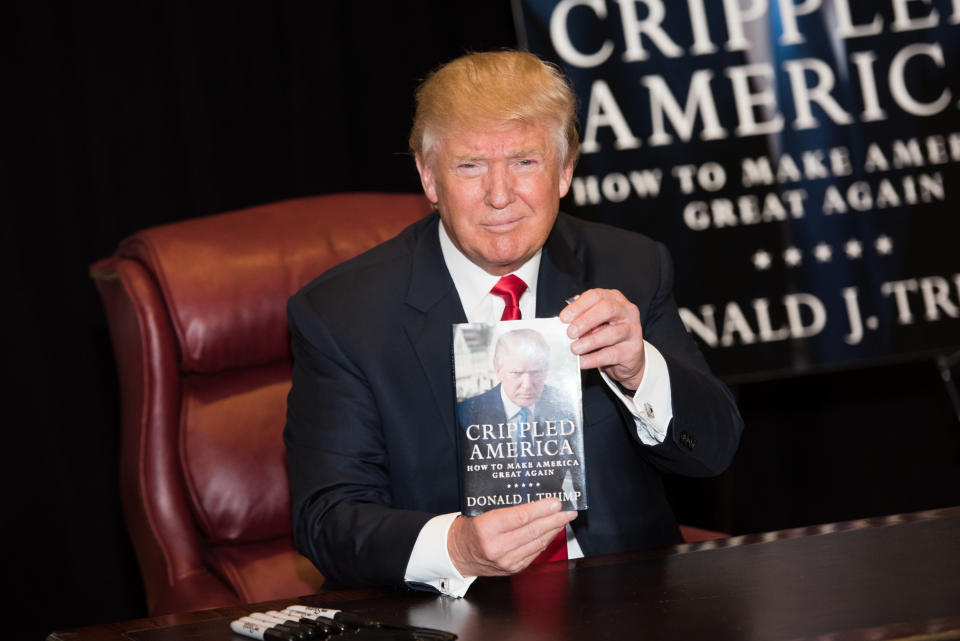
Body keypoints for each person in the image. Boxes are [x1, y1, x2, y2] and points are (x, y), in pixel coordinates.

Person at [284, 50, 743, 597]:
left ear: (565, 170)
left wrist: (641, 369)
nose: (500, 195)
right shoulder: (343, 313)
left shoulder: (630, 267)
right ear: (428, 178)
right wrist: (456, 547)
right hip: (446, 610)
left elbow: (712, 451)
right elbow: (326, 518)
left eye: (525, 162)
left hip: (624, 598)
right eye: (470, 166)